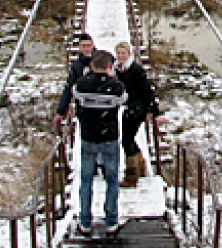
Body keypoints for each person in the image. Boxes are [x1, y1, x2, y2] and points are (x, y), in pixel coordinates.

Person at [59, 49, 127, 236]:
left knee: (86, 180)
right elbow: (123, 100)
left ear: (90, 66)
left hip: (88, 137)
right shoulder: (116, 87)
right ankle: (111, 220)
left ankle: (85, 221)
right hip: (109, 138)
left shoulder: (81, 85)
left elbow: (74, 94)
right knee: (112, 180)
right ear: (109, 66)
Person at [114, 41, 161, 188]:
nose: (121, 56)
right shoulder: (118, 69)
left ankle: (132, 175)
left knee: (127, 140)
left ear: (129, 54)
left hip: (137, 108)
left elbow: (147, 90)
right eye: (119, 53)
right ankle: (140, 165)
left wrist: (155, 112)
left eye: (123, 53)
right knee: (128, 138)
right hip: (129, 107)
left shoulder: (136, 70)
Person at [52, 33, 95, 132]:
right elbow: (69, 88)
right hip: (84, 107)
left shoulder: (102, 59)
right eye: (84, 46)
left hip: (101, 104)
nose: (86, 49)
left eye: (88, 45)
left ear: (93, 45)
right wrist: (60, 111)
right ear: (79, 47)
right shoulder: (76, 66)